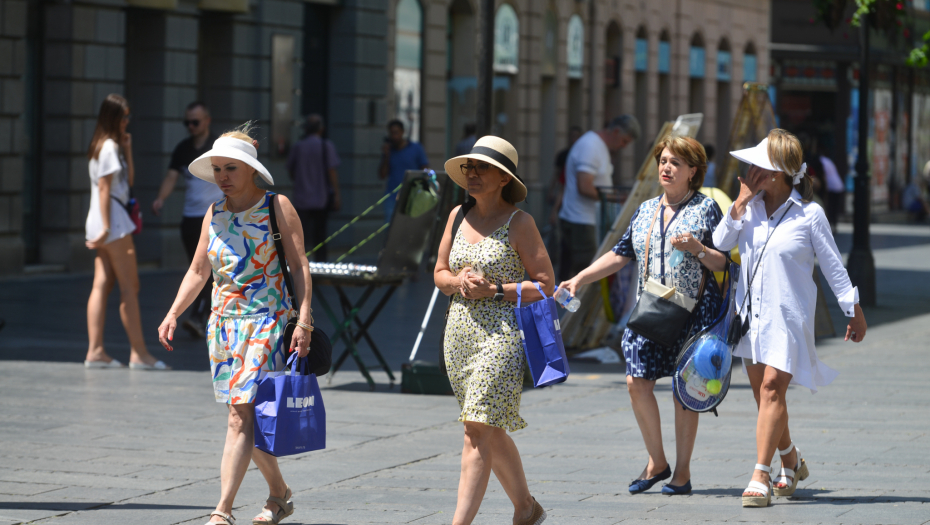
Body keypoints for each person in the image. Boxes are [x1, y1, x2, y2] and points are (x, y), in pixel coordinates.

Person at [157, 124, 314, 525]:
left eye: (231, 168)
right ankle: (279, 494)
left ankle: (222, 511)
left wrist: (305, 320)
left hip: (267, 322)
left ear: (250, 169)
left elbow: (299, 266)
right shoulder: (214, 213)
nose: (222, 177)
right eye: (217, 169)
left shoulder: (277, 207)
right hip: (223, 326)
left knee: (239, 416)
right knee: (246, 417)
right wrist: (173, 312)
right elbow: (197, 271)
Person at [559, 136, 727, 495]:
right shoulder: (646, 210)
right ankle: (657, 461)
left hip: (693, 314)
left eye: (676, 163)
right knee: (637, 382)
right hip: (651, 309)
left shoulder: (707, 208)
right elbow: (621, 254)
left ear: (693, 171)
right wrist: (580, 279)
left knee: (686, 392)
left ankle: (681, 474)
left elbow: (723, 261)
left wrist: (698, 249)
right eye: (663, 161)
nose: (666, 168)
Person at [713, 129, 868, 508]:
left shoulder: (810, 215)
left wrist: (854, 309)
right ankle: (791, 460)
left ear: (777, 172)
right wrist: (737, 208)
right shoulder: (747, 210)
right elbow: (720, 244)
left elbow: (833, 267)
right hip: (749, 317)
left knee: (771, 390)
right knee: (764, 397)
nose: (748, 170)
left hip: (789, 317)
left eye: (756, 165)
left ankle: (760, 475)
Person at [435, 136, 553, 525]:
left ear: (504, 178)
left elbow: (546, 284)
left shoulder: (520, 223)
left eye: (482, 168)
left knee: (476, 429)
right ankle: (526, 506)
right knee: (483, 426)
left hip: (501, 335)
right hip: (459, 334)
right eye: (469, 167)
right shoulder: (456, 216)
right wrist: (457, 282)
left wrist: (497, 290)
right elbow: (438, 274)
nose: (472, 173)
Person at [84, 94, 168, 370]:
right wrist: (108, 228)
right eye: (124, 117)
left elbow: (126, 183)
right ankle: (139, 353)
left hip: (102, 221)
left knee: (102, 283)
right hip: (113, 224)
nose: (127, 121)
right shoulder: (108, 147)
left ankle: (96, 350)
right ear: (113, 118)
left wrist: (128, 149)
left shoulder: (101, 146)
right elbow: (108, 189)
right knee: (130, 287)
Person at [151, 101, 223, 338]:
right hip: (190, 220)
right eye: (187, 122)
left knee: (207, 268)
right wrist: (161, 198)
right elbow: (171, 177)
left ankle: (198, 317)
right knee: (198, 267)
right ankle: (206, 314)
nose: (191, 126)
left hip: (215, 218)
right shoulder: (183, 148)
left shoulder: (217, 147)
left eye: (195, 122)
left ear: (207, 121)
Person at [558, 115, 640, 282]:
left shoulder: (596, 145)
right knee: (588, 274)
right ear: (616, 131)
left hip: (585, 219)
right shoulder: (591, 146)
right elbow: (585, 186)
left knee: (588, 273)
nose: (623, 146)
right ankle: (578, 307)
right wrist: (614, 198)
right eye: (624, 141)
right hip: (580, 220)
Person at [288, 114, 341, 261]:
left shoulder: (298, 146)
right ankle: (321, 264)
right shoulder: (326, 146)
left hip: (302, 198)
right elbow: (332, 171)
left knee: (301, 234)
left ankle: (300, 264)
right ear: (321, 129)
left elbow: (291, 170)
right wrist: (336, 194)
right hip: (321, 198)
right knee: (320, 234)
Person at [379, 119, 429, 220]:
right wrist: (386, 156)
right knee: (390, 227)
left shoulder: (416, 148)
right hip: (392, 197)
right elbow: (382, 175)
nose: (394, 137)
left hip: (412, 196)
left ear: (402, 132)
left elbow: (425, 170)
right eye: (391, 133)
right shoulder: (389, 151)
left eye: (396, 133)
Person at [819, 148, 845, 230]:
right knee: (834, 207)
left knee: (830, 207)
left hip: (831, 186)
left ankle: (831, 225)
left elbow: (824, 176)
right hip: (838, 185)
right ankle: (834, 224)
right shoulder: (828, 161)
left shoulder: (821, 161)